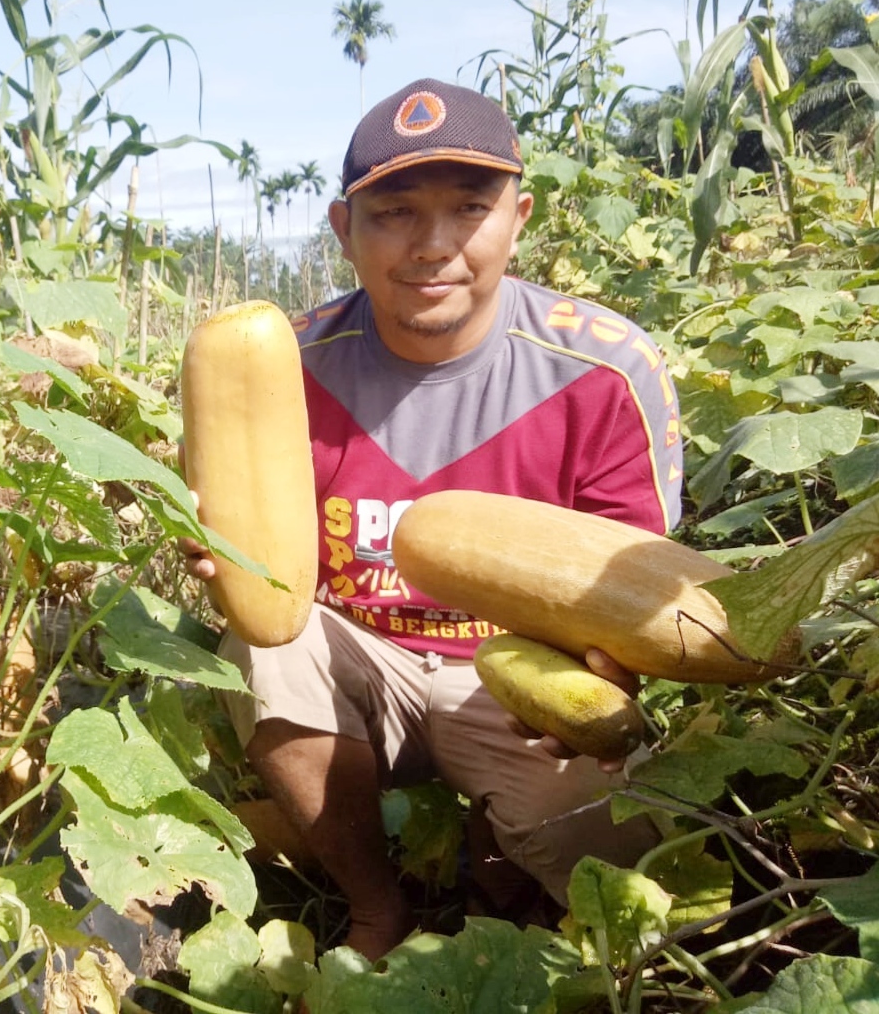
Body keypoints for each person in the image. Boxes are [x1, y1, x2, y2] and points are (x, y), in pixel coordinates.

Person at [184, 78, 681, 961]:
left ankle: (509, 878)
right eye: (396, 213)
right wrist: (213, 543)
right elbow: (255, 566)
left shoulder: (604, 371)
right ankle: (376, 903)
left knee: (598, 839)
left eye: (469, 208)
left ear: (518, 217)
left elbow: (630, 590)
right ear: (345, 230)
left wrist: (612, 670)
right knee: (264, 644)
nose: (434, 244)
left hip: (515, 669)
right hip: (356, 657)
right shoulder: (280, 362)